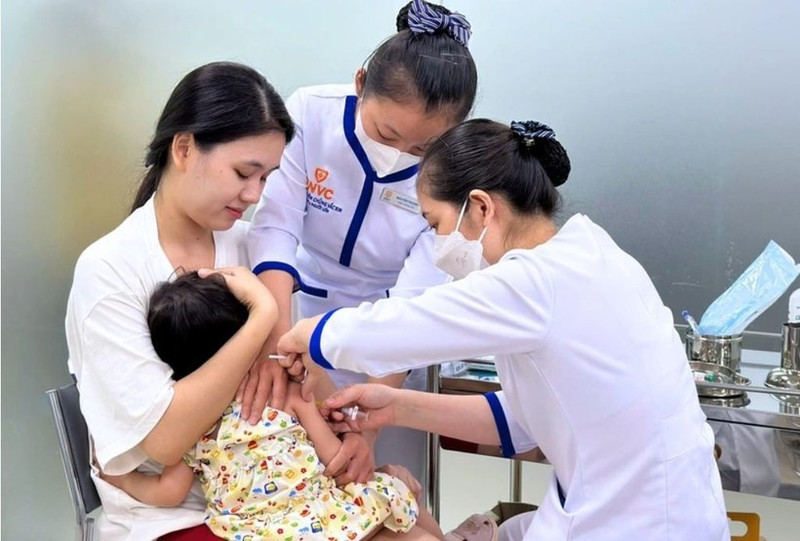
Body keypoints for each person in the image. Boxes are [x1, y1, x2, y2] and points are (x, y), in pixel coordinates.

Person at [276, 119, 731, 540]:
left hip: (641, 522)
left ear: (480, 207)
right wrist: (393, 406)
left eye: (435, 224)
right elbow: (531, 417)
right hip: (670, 506)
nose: (437, 245)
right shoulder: (593, 255)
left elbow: (405, 325)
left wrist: (304, 334)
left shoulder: (533, 281)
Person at [246, 0, 478, 488]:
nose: (398, 154)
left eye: (420, 148)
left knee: (384, 488)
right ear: (359, 84)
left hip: (390, 349)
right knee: (294, 488)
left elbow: (415, 301)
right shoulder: (310, 114)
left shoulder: (455, 173)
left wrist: (368, 428)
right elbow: (275, 229)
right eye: (385, 132)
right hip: (295, 317)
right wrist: (278, 349)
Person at [65, 61, 293, 541]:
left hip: (273, 498)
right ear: (184, 147)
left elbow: (296, 378)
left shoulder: (254, 247)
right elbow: (167, 441)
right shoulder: (109, 270)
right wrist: (262, 320)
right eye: (243, 173)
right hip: (175, 519)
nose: (253, 195)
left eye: (267, 178)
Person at [100, 271, 445, 541]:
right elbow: (333, 459)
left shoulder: (194, 425)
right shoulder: (285, 394)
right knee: (399, 493)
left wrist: (123, 480)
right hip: (324, 519)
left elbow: (169, 491)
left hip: (257, 535)